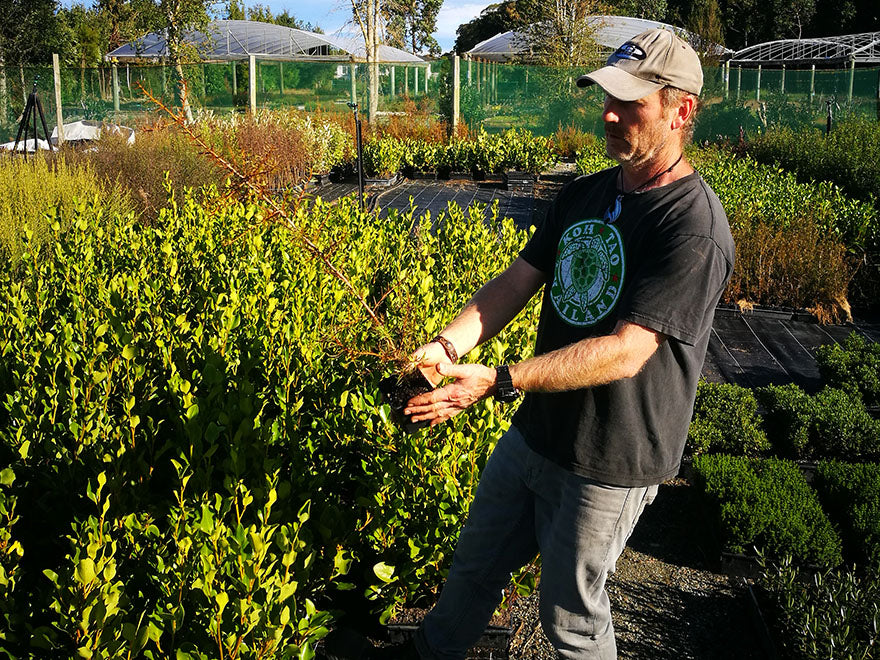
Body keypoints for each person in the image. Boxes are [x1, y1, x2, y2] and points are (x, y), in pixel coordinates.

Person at [323, 27, 734, 660]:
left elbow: (628, 349)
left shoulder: (692, 226)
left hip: (611, 456)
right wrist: (447, 347)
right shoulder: (585, 193)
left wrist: (500, 380)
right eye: (607, 97)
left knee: (570, 618)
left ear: (681, 111)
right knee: (475, 567)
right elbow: (517, 281)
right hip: (537, 431)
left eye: (630, 103)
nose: (609, 113)